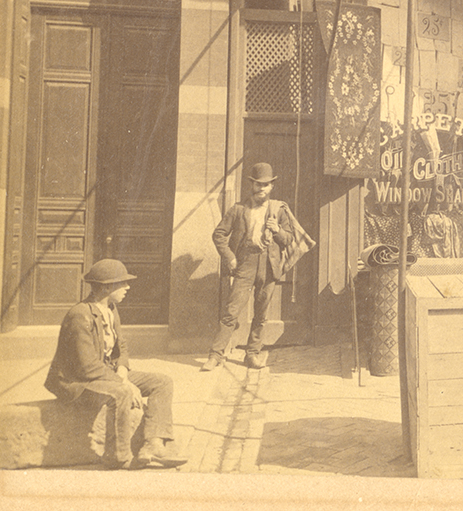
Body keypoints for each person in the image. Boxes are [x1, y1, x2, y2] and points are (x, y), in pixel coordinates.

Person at [45, 259, 187, 469]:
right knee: (122, 393)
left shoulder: (110, 309)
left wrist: (122, 370)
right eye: (122, 284)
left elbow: (122, 346)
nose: (127, 288)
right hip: (77, 381)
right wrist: (124, 383)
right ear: (105, 287)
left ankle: (153, 444)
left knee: (162, 382)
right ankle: (118, 457)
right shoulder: (79, 315)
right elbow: (87, 367)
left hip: (106, 373)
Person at [203, 162, 297, 371]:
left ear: (271, 186)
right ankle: (215, 355)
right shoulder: (238, 209)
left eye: (265, 185)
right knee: (232, 311)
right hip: (245, 263)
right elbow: (219, 234)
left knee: (261, 313)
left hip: (269, 265)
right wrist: (229, 257)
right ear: (252, 185)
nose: (261, 189)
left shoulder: (279, 210)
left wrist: (278, 230)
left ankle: (252, 354)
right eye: (257, 184)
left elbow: (289, 239)